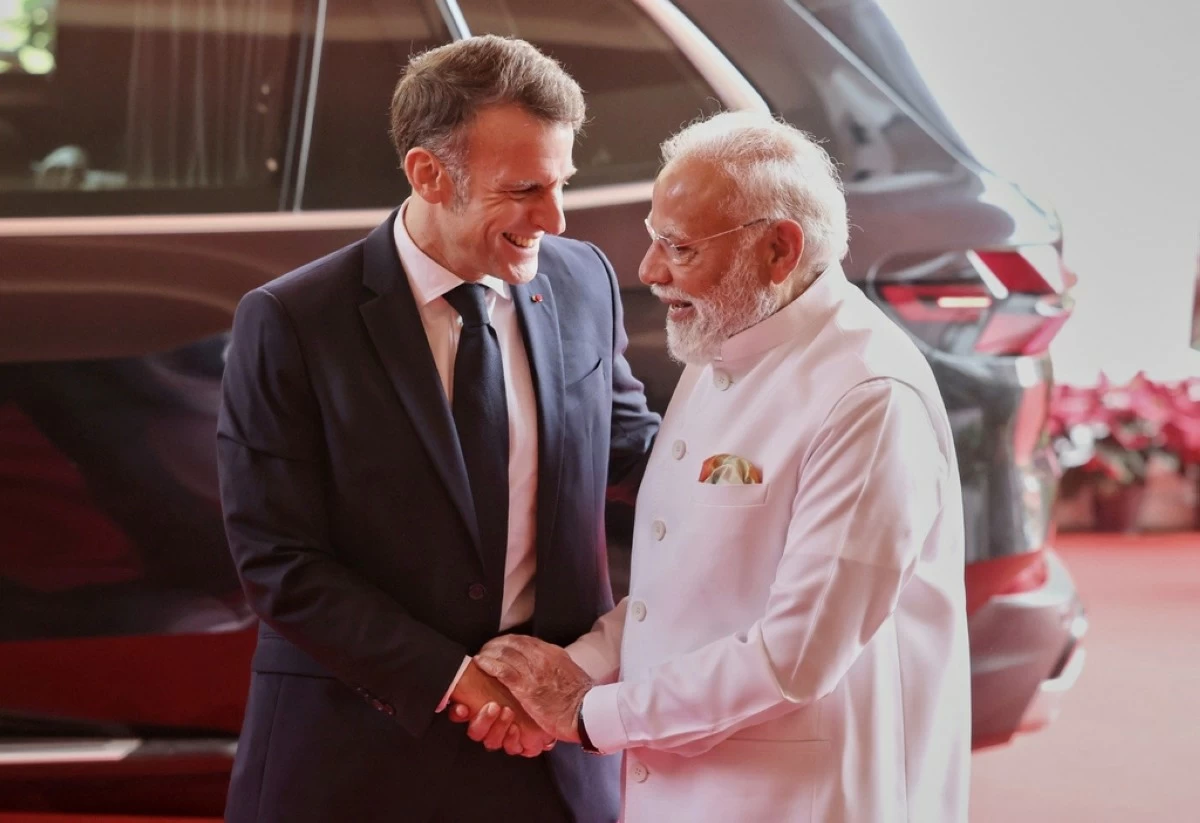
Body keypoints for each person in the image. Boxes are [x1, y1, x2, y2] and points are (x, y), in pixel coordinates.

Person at [470, 111, 972, 822]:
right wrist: (569, 669)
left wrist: (588, 713)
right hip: (684, 783)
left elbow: (794, 656)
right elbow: (681, 591)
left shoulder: (868, 394)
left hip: (801, 795)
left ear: (779, 249)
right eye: (653, 239)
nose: (648, 272)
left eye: (678, 247)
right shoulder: (728, 336)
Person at [216, 35, 658, 823]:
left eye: (562, 185)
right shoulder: (292, 321)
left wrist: (772, 449)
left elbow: (633, 449)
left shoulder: (583, 279)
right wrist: (455, 679)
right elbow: (276, 558)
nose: (553, 219)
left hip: (548, 756)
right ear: (427, 173)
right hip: (353, 758)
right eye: (525, 188)